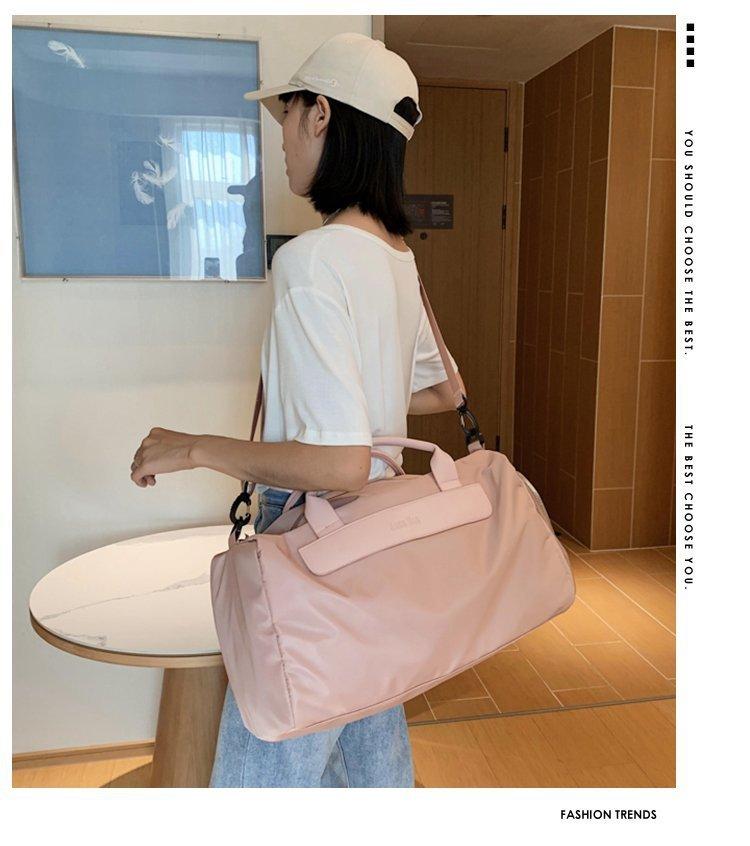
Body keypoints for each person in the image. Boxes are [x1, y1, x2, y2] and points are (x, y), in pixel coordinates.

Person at [129, 31, 465, 788]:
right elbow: (448, 391)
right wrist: (362, 408)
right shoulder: (398, 259)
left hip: (312, 540)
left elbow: (340, 462)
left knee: (263, 780)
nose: (280, 135)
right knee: (369, 768)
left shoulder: (309, 261)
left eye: (286, 112)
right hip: (378, 540)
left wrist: (196, 448)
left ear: (321, 114)